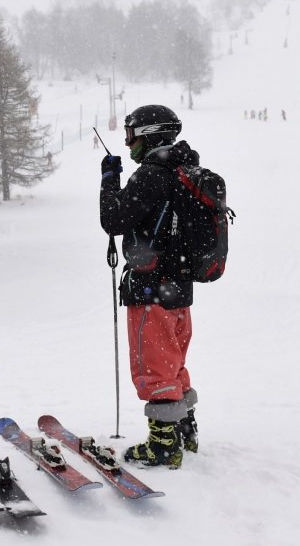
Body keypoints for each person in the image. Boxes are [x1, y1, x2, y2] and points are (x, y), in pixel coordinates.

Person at [99, 104, 200, 469]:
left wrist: (109, 179)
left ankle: (163, 445)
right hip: (179, 287)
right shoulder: (185, 169)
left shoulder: (152, 175)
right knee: (173, 359)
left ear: (149, 135)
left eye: (131, 136)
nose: (128, 145)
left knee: (153, 365)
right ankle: (183, 427)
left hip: (151, 287)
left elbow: (113, 219)